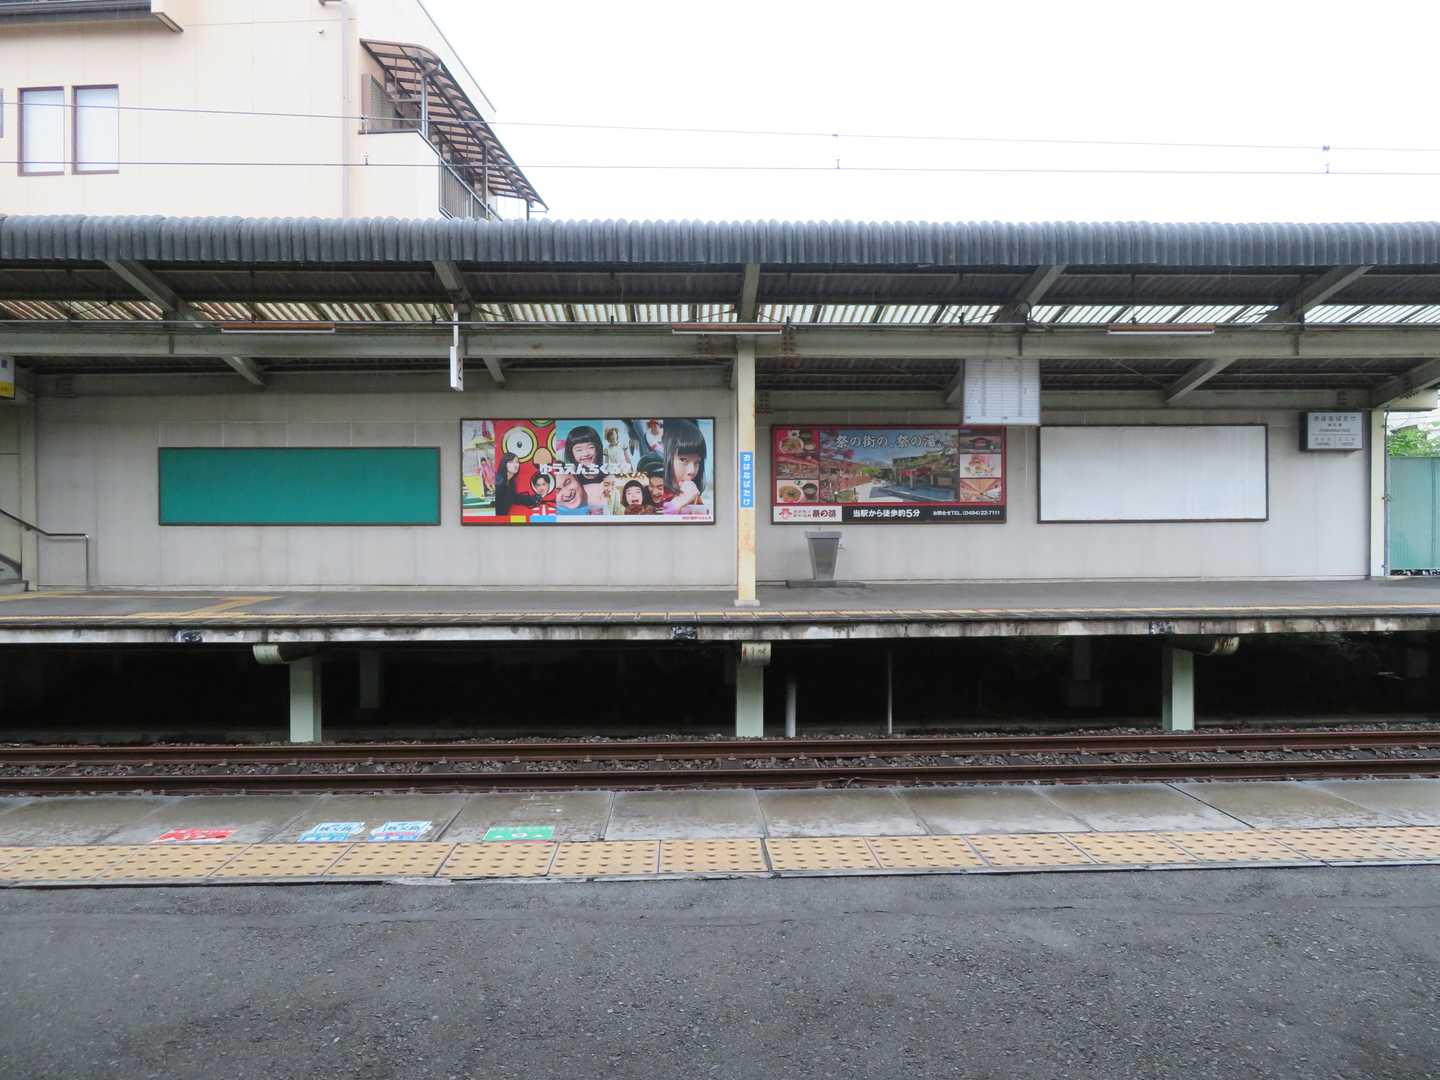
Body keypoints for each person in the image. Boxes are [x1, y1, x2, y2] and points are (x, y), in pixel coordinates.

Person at [661, 419, 708, 515]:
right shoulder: (655, 492)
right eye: (683, 460)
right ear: (666, 458)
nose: (692, 471)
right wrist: (678, 503)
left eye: (697, 462)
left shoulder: (692, 493)